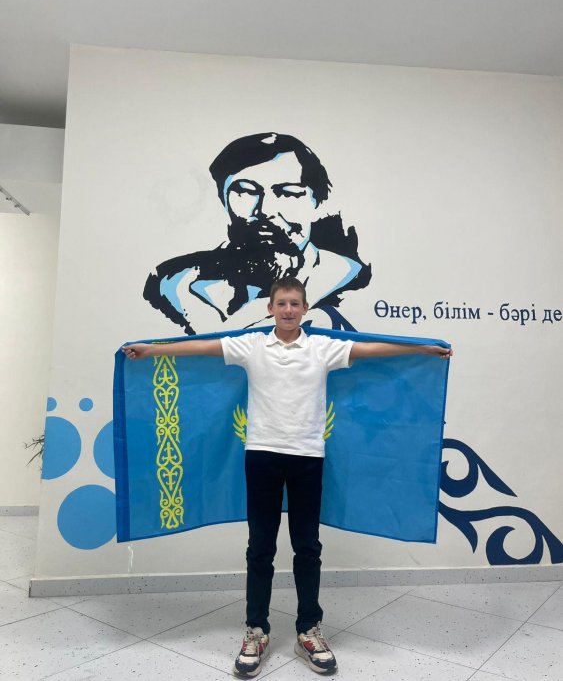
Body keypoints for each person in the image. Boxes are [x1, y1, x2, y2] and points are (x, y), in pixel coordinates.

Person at [123, 276, 451, 677]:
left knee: (307, 547)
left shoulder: (322, 348)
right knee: (260, 549)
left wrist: (421, 349)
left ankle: (308, 629)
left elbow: (369, 349)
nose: (289, 310)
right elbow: (202, 347)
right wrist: (152, 349)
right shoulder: (252, 345)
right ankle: (256, 630)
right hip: (262, 456)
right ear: (270, 308)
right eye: (282, 303)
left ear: (305, 309)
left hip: (308, 459)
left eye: (295, 303)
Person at [143, 133, 371, 334]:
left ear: (317, 203)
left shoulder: (349, 280)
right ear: (223, 199)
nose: (266, 211)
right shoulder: (174, 284)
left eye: (288, 193)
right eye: (246, 191)